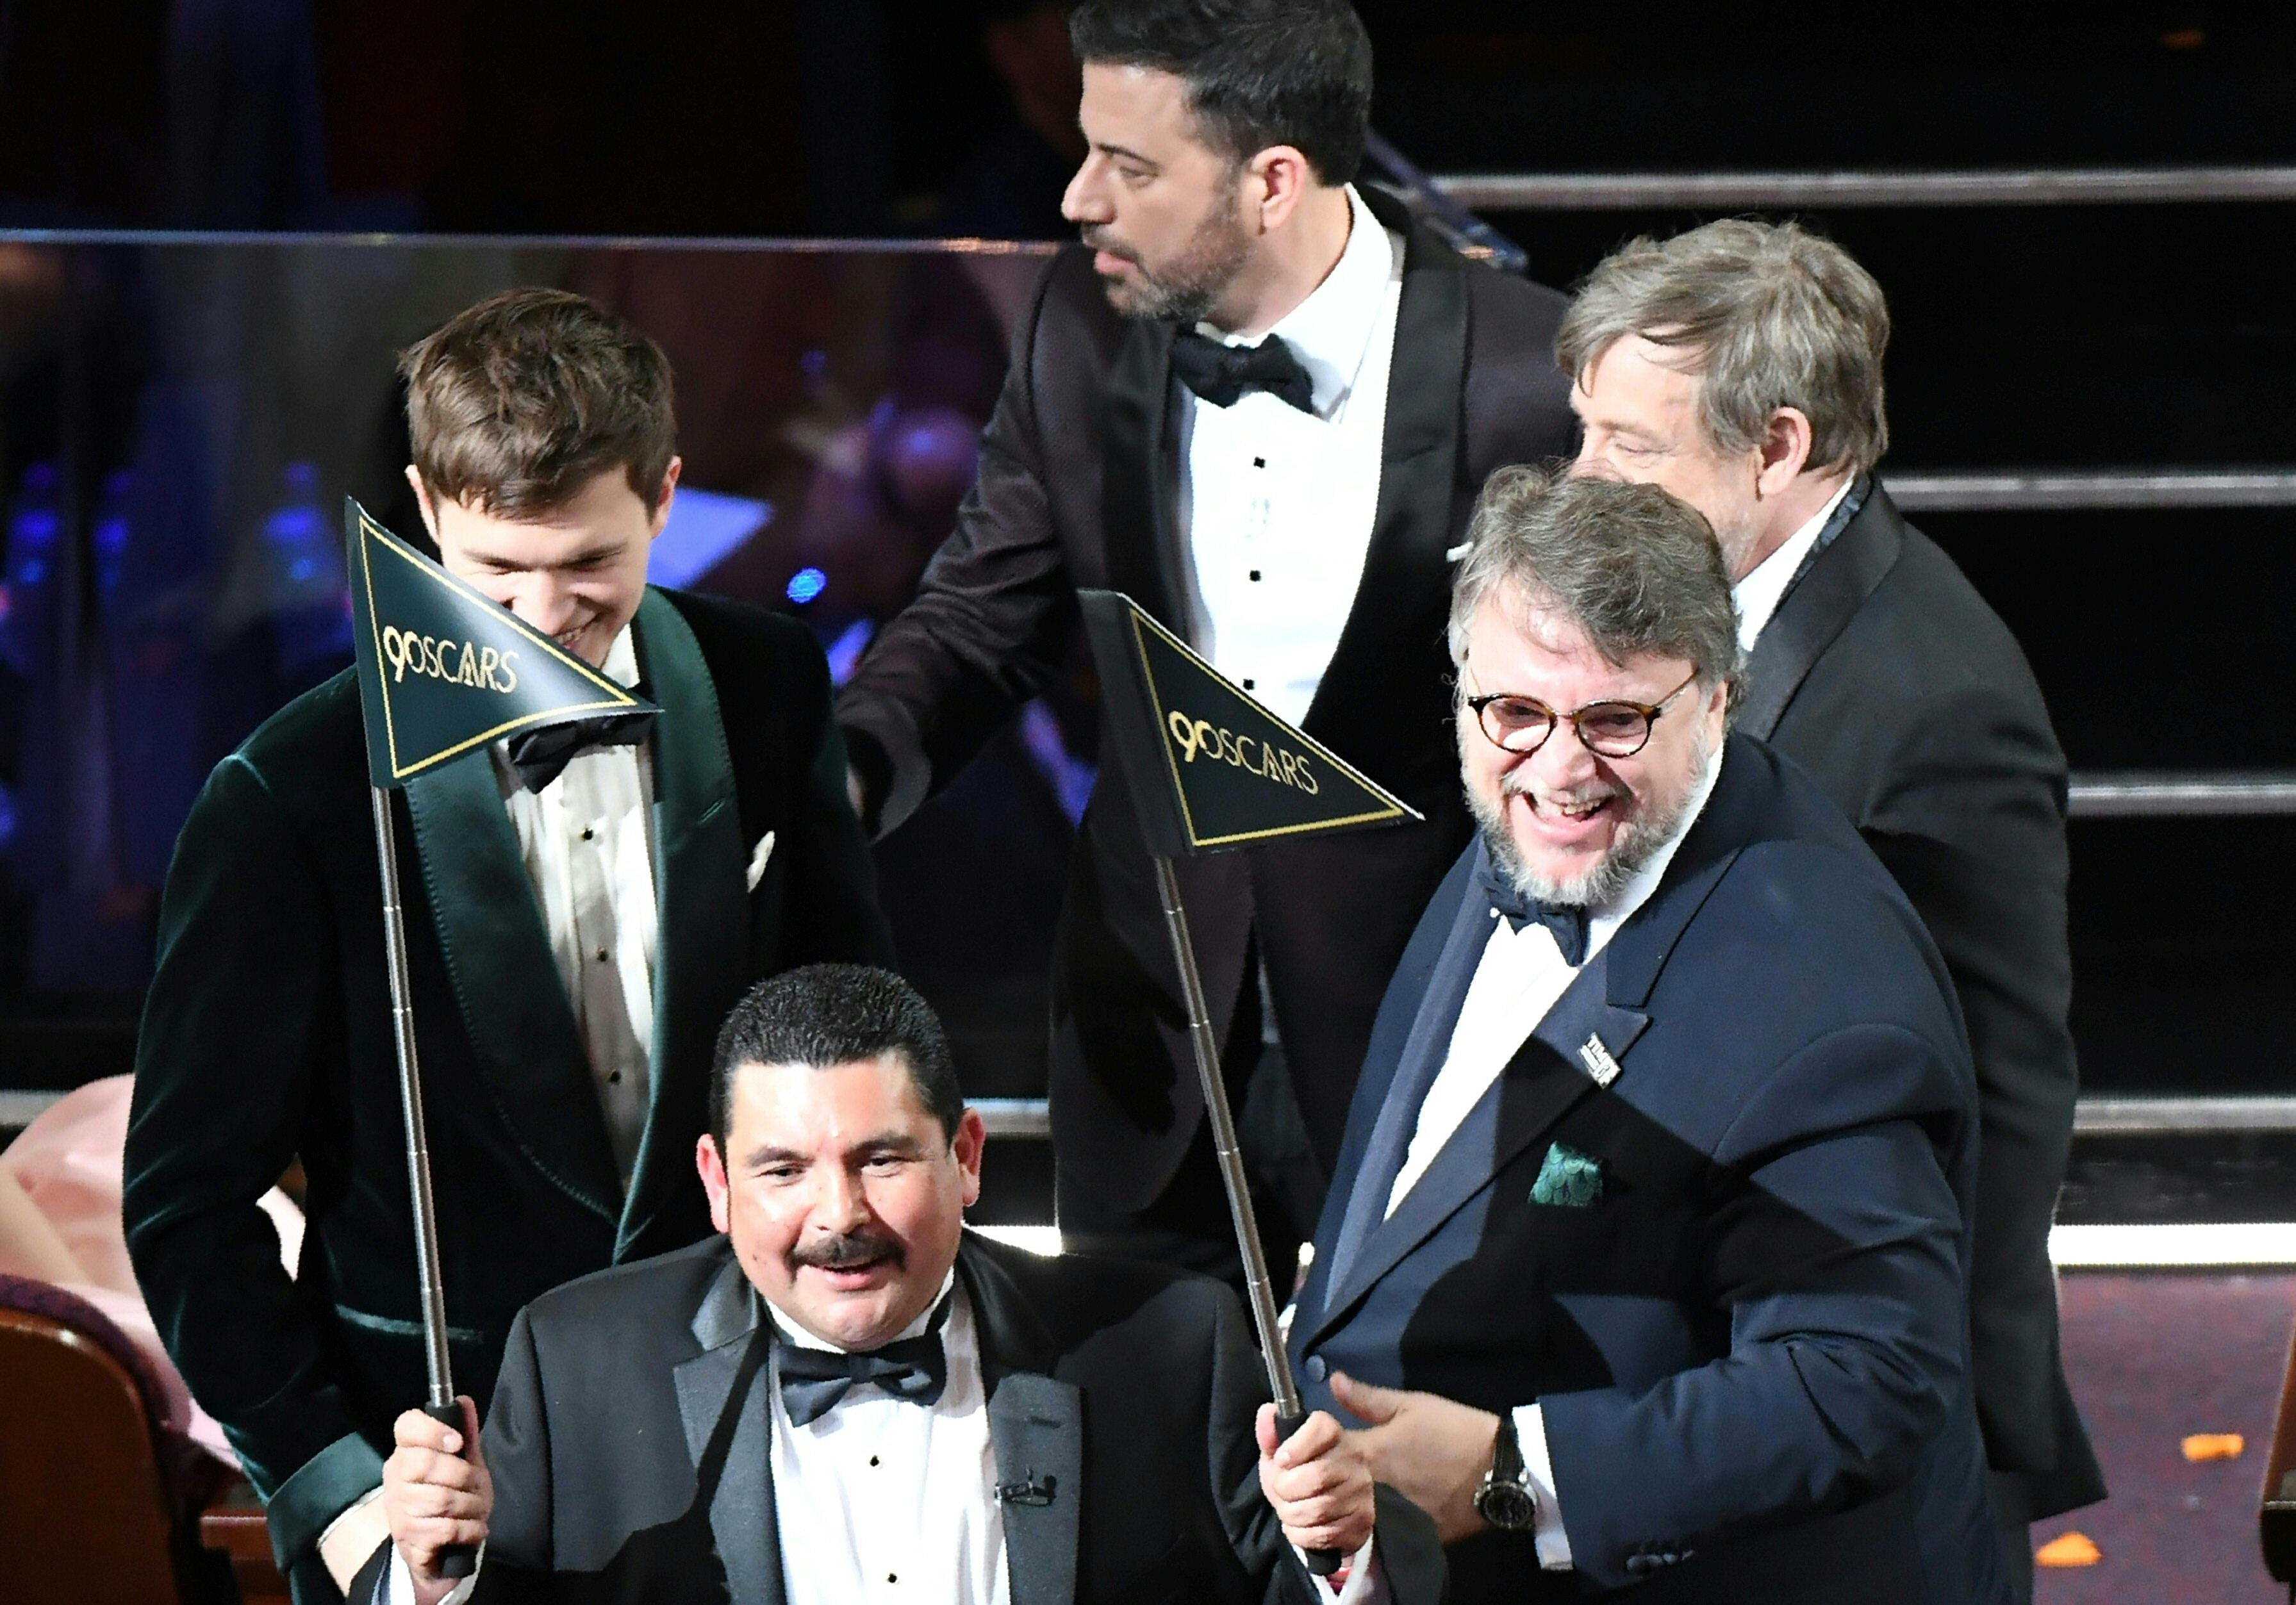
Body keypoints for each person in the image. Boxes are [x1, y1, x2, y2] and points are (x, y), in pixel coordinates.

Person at [124, 288, 893, 1604]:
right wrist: (346, 1494)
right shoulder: (293, 785)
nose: (545, 617)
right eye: (498, 576)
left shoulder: (769, 683)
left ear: (664, 496)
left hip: (766, 1418)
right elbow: (187, 1204)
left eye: (589, 564)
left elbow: (854, 1024)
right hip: (447, 1465)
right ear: (427, 510)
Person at [836, 0, 1576, 1288]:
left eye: (1129, 167)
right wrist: (845, 764)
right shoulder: (1075, 323)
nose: (1077, 200)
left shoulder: (1525, 371)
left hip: (1428, 1017)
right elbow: (979, 616)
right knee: (1148, 1431)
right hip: (1149, 1020)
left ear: (1271, 181)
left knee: (1411, 1445)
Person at [1284, 470, 2011, 1602]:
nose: (1562, 770)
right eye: (1517, 713)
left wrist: (1507, 1471)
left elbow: (1867, 1376)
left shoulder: (1821, 997)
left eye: (1617, 719)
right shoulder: (1527, 824)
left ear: (1719, 699)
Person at [1557, 218, 2103, 1593]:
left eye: (1629, 446)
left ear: (1778, 448)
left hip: (1860, 1414)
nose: (1582, 480)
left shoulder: (1939, 695)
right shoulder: (1705, 611)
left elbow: (2007, 1084)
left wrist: (1899, 1399)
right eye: (1585, 433)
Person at [371, 964, 1442, 1605]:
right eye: (783, 1171)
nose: (838, 1216)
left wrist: (1344, 1553)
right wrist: (427, 1575)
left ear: (966, 1154)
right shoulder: (576, 1363)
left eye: (882, 1158)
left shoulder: (1170, 1345)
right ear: (716, 1180)